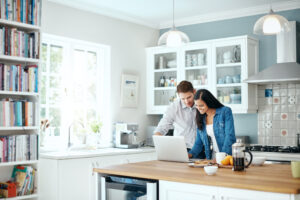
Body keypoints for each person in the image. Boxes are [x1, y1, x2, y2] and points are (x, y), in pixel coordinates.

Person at [188, 89, 236, 160]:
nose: (198, 108)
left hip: (226, 158)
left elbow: (230, 137)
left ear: (209, 102)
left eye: (201, 105)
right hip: (211, 160)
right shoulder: (201, 117)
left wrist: (221, 158)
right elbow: (198, 143)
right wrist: (190, 154)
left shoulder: (225, 111)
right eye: (197, 106)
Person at [154, 81, 198, 150]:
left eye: (189, 97)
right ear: (178, 96)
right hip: (182, 148)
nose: (187, 101)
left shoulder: (201, 105)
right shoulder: (174, 107)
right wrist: (158, 139)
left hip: (201, 149)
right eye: (183, 99)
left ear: (194, 91)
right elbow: (161, 128)